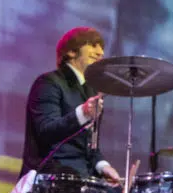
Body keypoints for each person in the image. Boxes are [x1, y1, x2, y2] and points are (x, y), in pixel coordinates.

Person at [19, 27, 120, 182]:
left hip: (81, 178)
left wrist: (102, 165)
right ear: (71, 51)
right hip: (52, 179)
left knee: (117, 192)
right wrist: (83, 113)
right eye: (93, 45)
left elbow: (89, 144)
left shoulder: (91, 90)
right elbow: (46, 131)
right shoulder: (48, 83)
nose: (100, 53)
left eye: (101, 48)